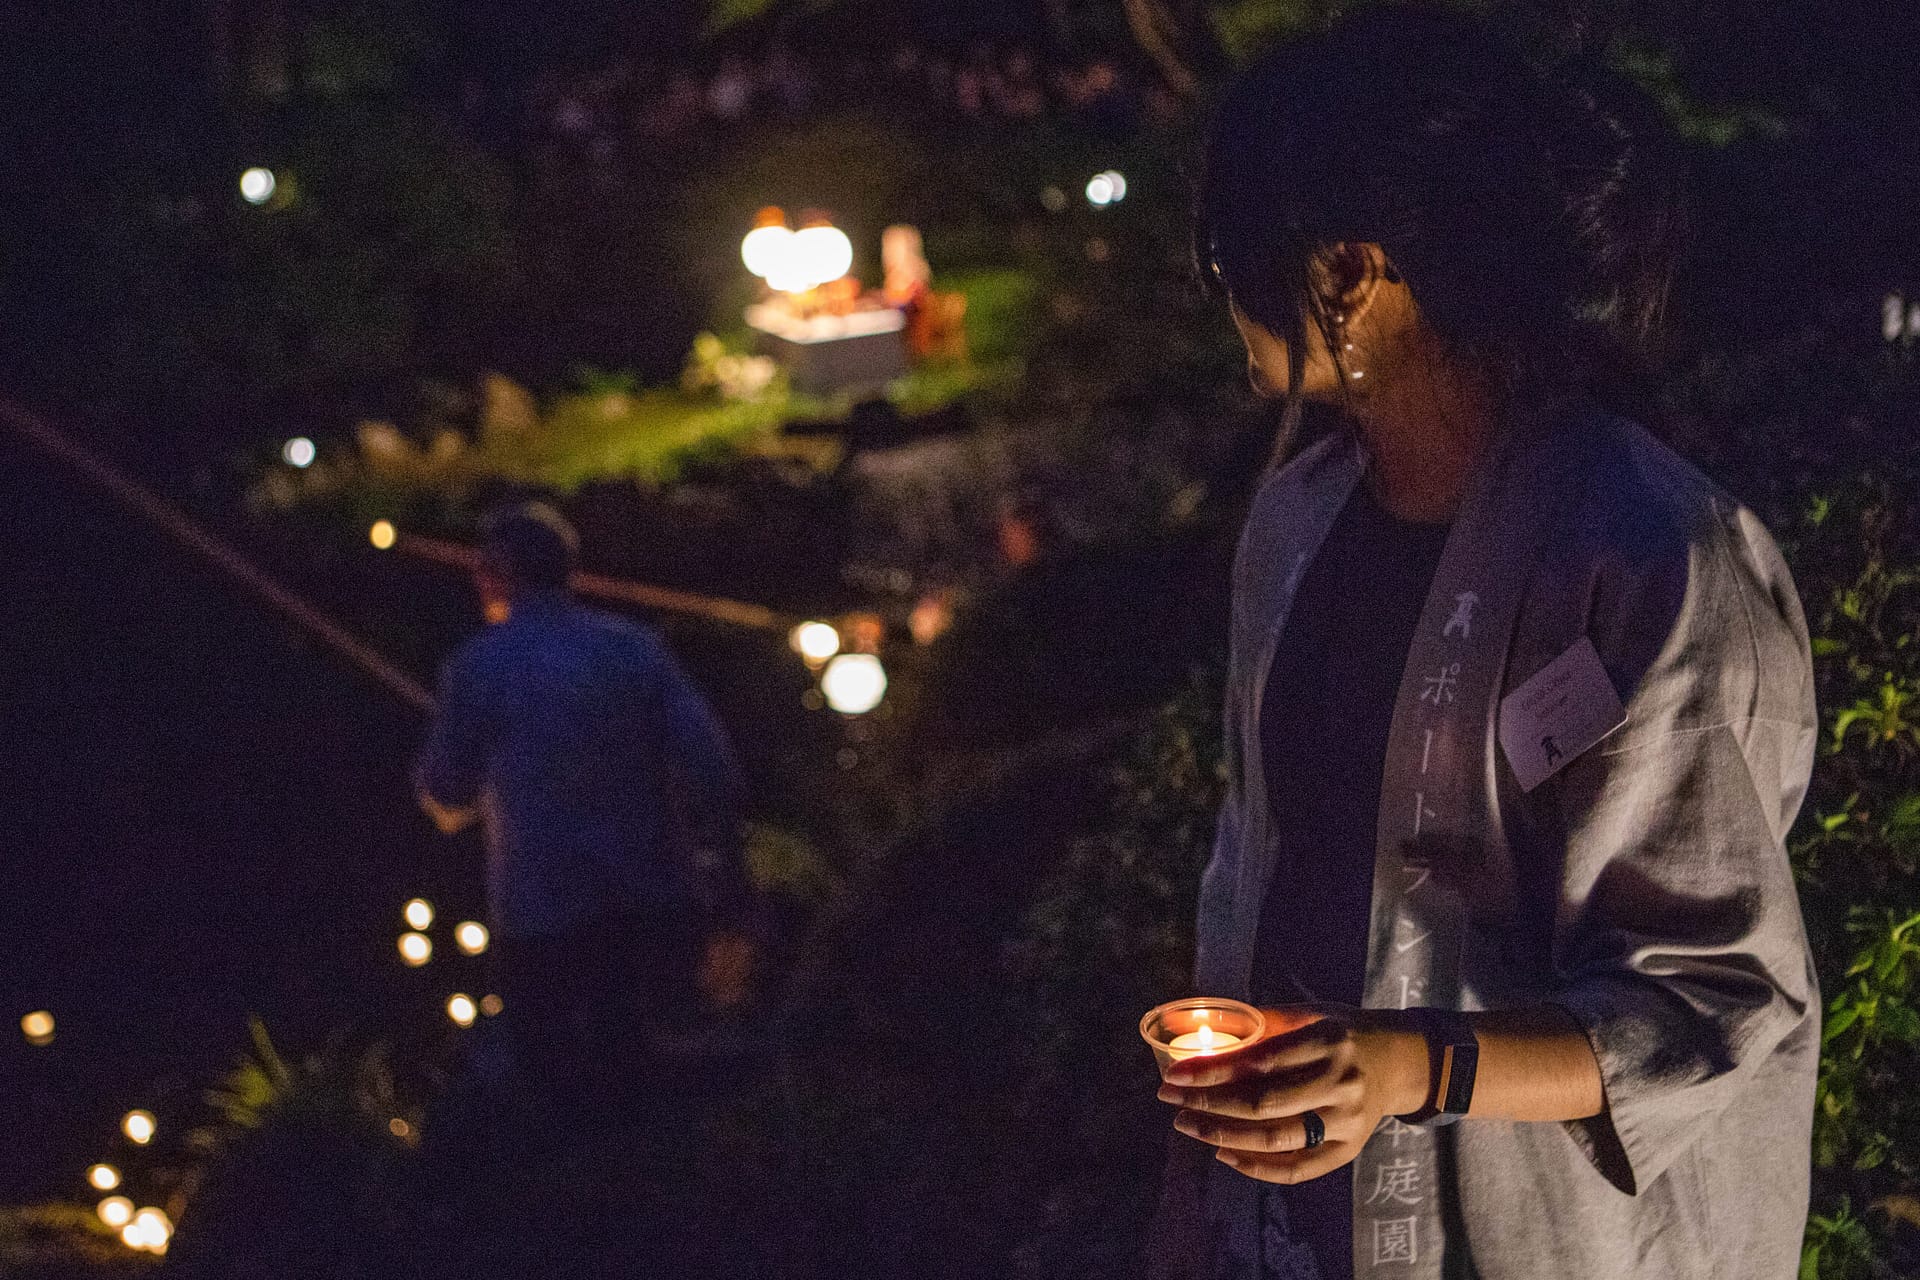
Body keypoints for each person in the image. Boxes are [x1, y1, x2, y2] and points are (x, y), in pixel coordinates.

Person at [1154, 9, 1818, 1280]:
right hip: (1298, 1223)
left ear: (1352, 274)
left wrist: (1410, 1065)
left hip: (1548, 1234)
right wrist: (1196, 1204)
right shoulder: (1297, 518)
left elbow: (1711, 991)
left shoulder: (1642, 552)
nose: (1223, 297)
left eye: (1230, 257)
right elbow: (1255, 864)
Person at [416, 502, 748, 1111]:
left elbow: (446, 791)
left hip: (545, 919)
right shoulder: (636, 649)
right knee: (658, 1080)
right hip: (652, 901)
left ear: (497, 571)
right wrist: (726, 876)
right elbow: (712, 767)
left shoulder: (480, 664)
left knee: (557, 1092)